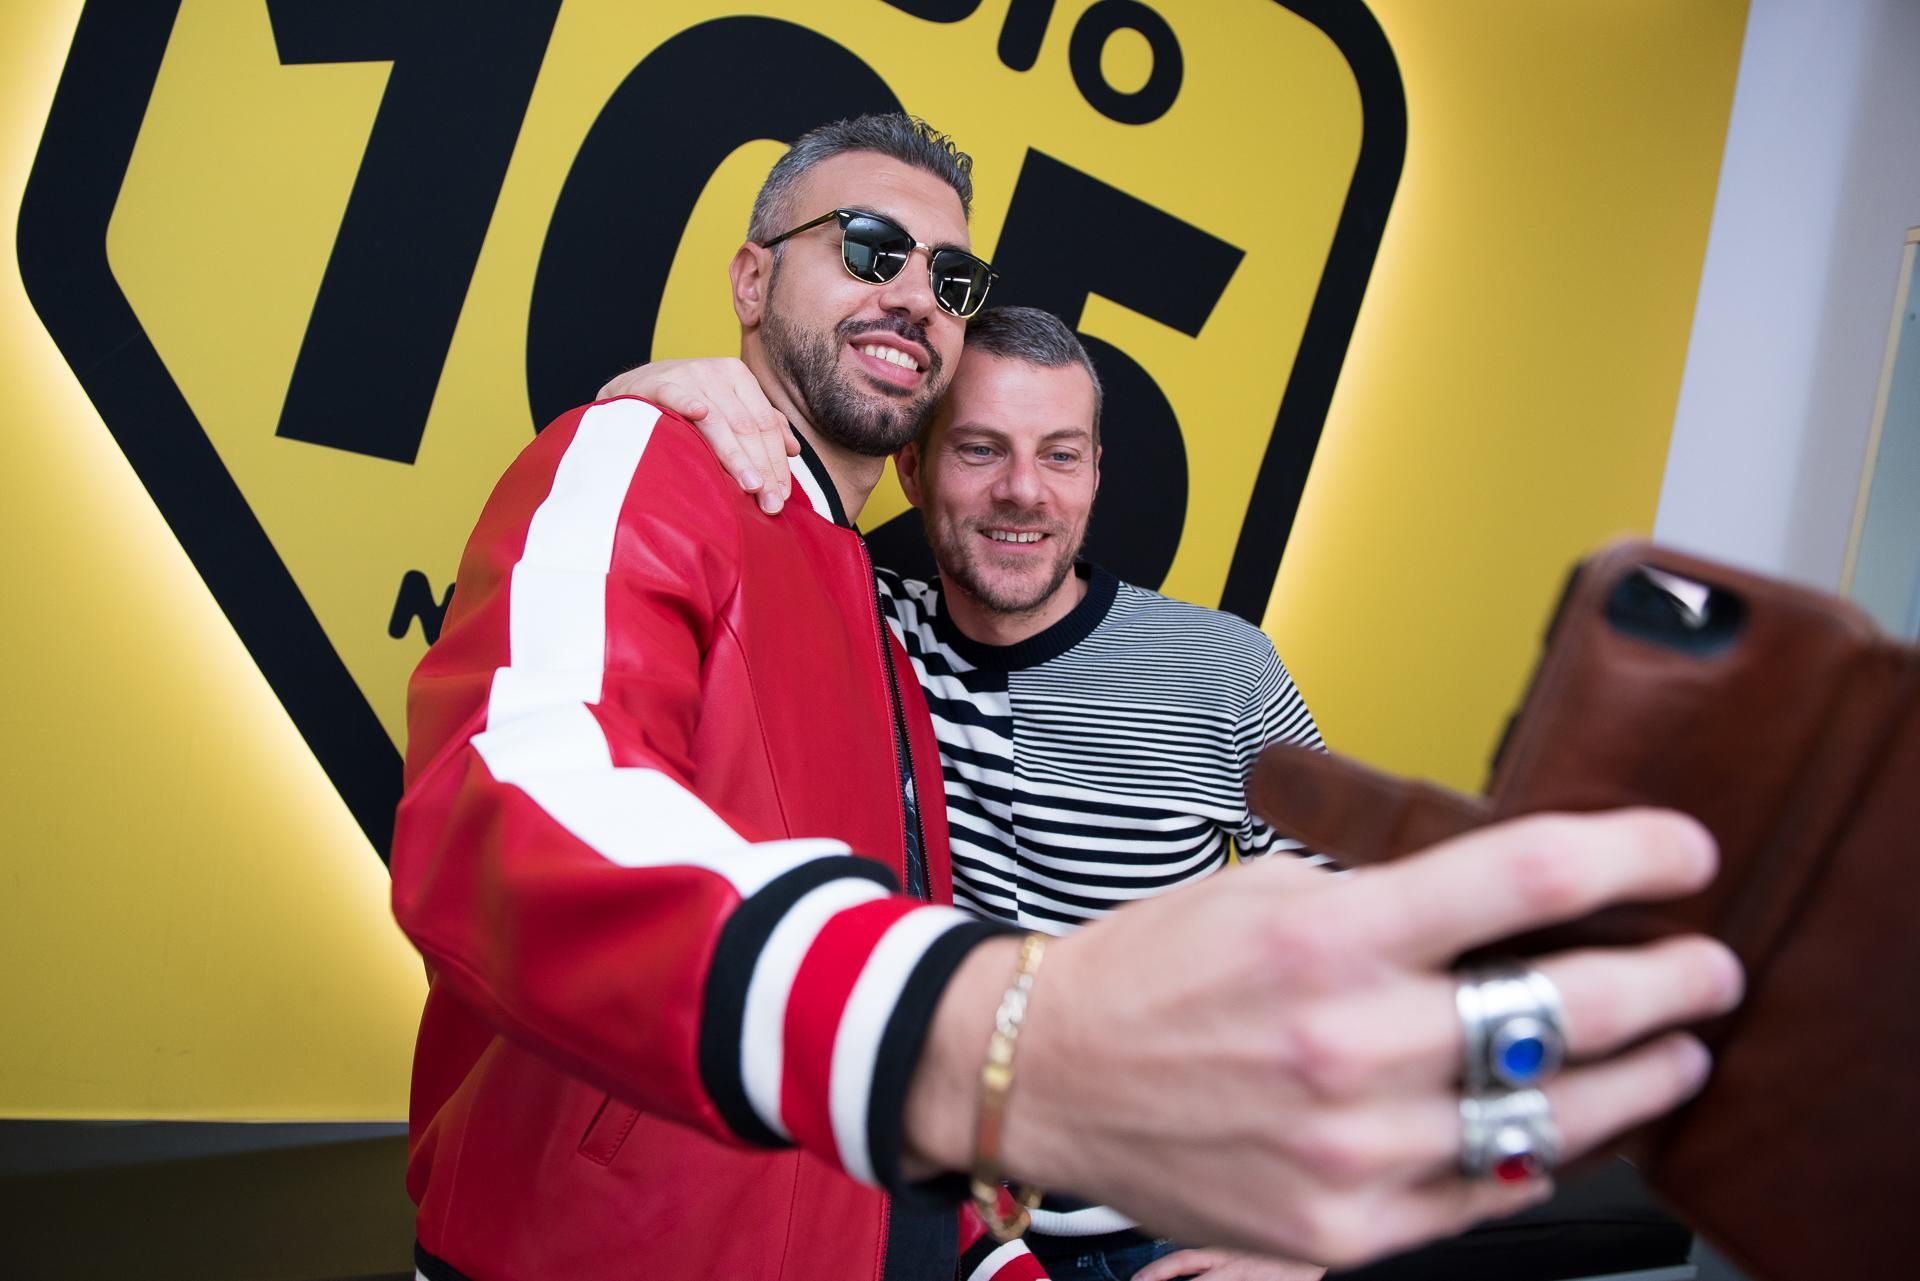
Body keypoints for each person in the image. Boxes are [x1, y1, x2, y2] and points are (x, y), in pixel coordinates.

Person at [392, 112, 1744, 1281]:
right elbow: (512, 801)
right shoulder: (665, 465)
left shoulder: (901, 619)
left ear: (1099, 477)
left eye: (949, 276)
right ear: (754, 278)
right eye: (866, 248)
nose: (912, 293)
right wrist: (976, 1034)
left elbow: (1357, 937)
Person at [612, 305, 1333, 1279]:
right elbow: (692, 517)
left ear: (1096, 474)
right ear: (912, 469)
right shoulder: (854, 629)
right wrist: (663, 401)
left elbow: (1362, 939)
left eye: (1060, 455)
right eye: (981, 449)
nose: (1023, 490)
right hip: (933, 1232)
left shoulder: (1224, 669)